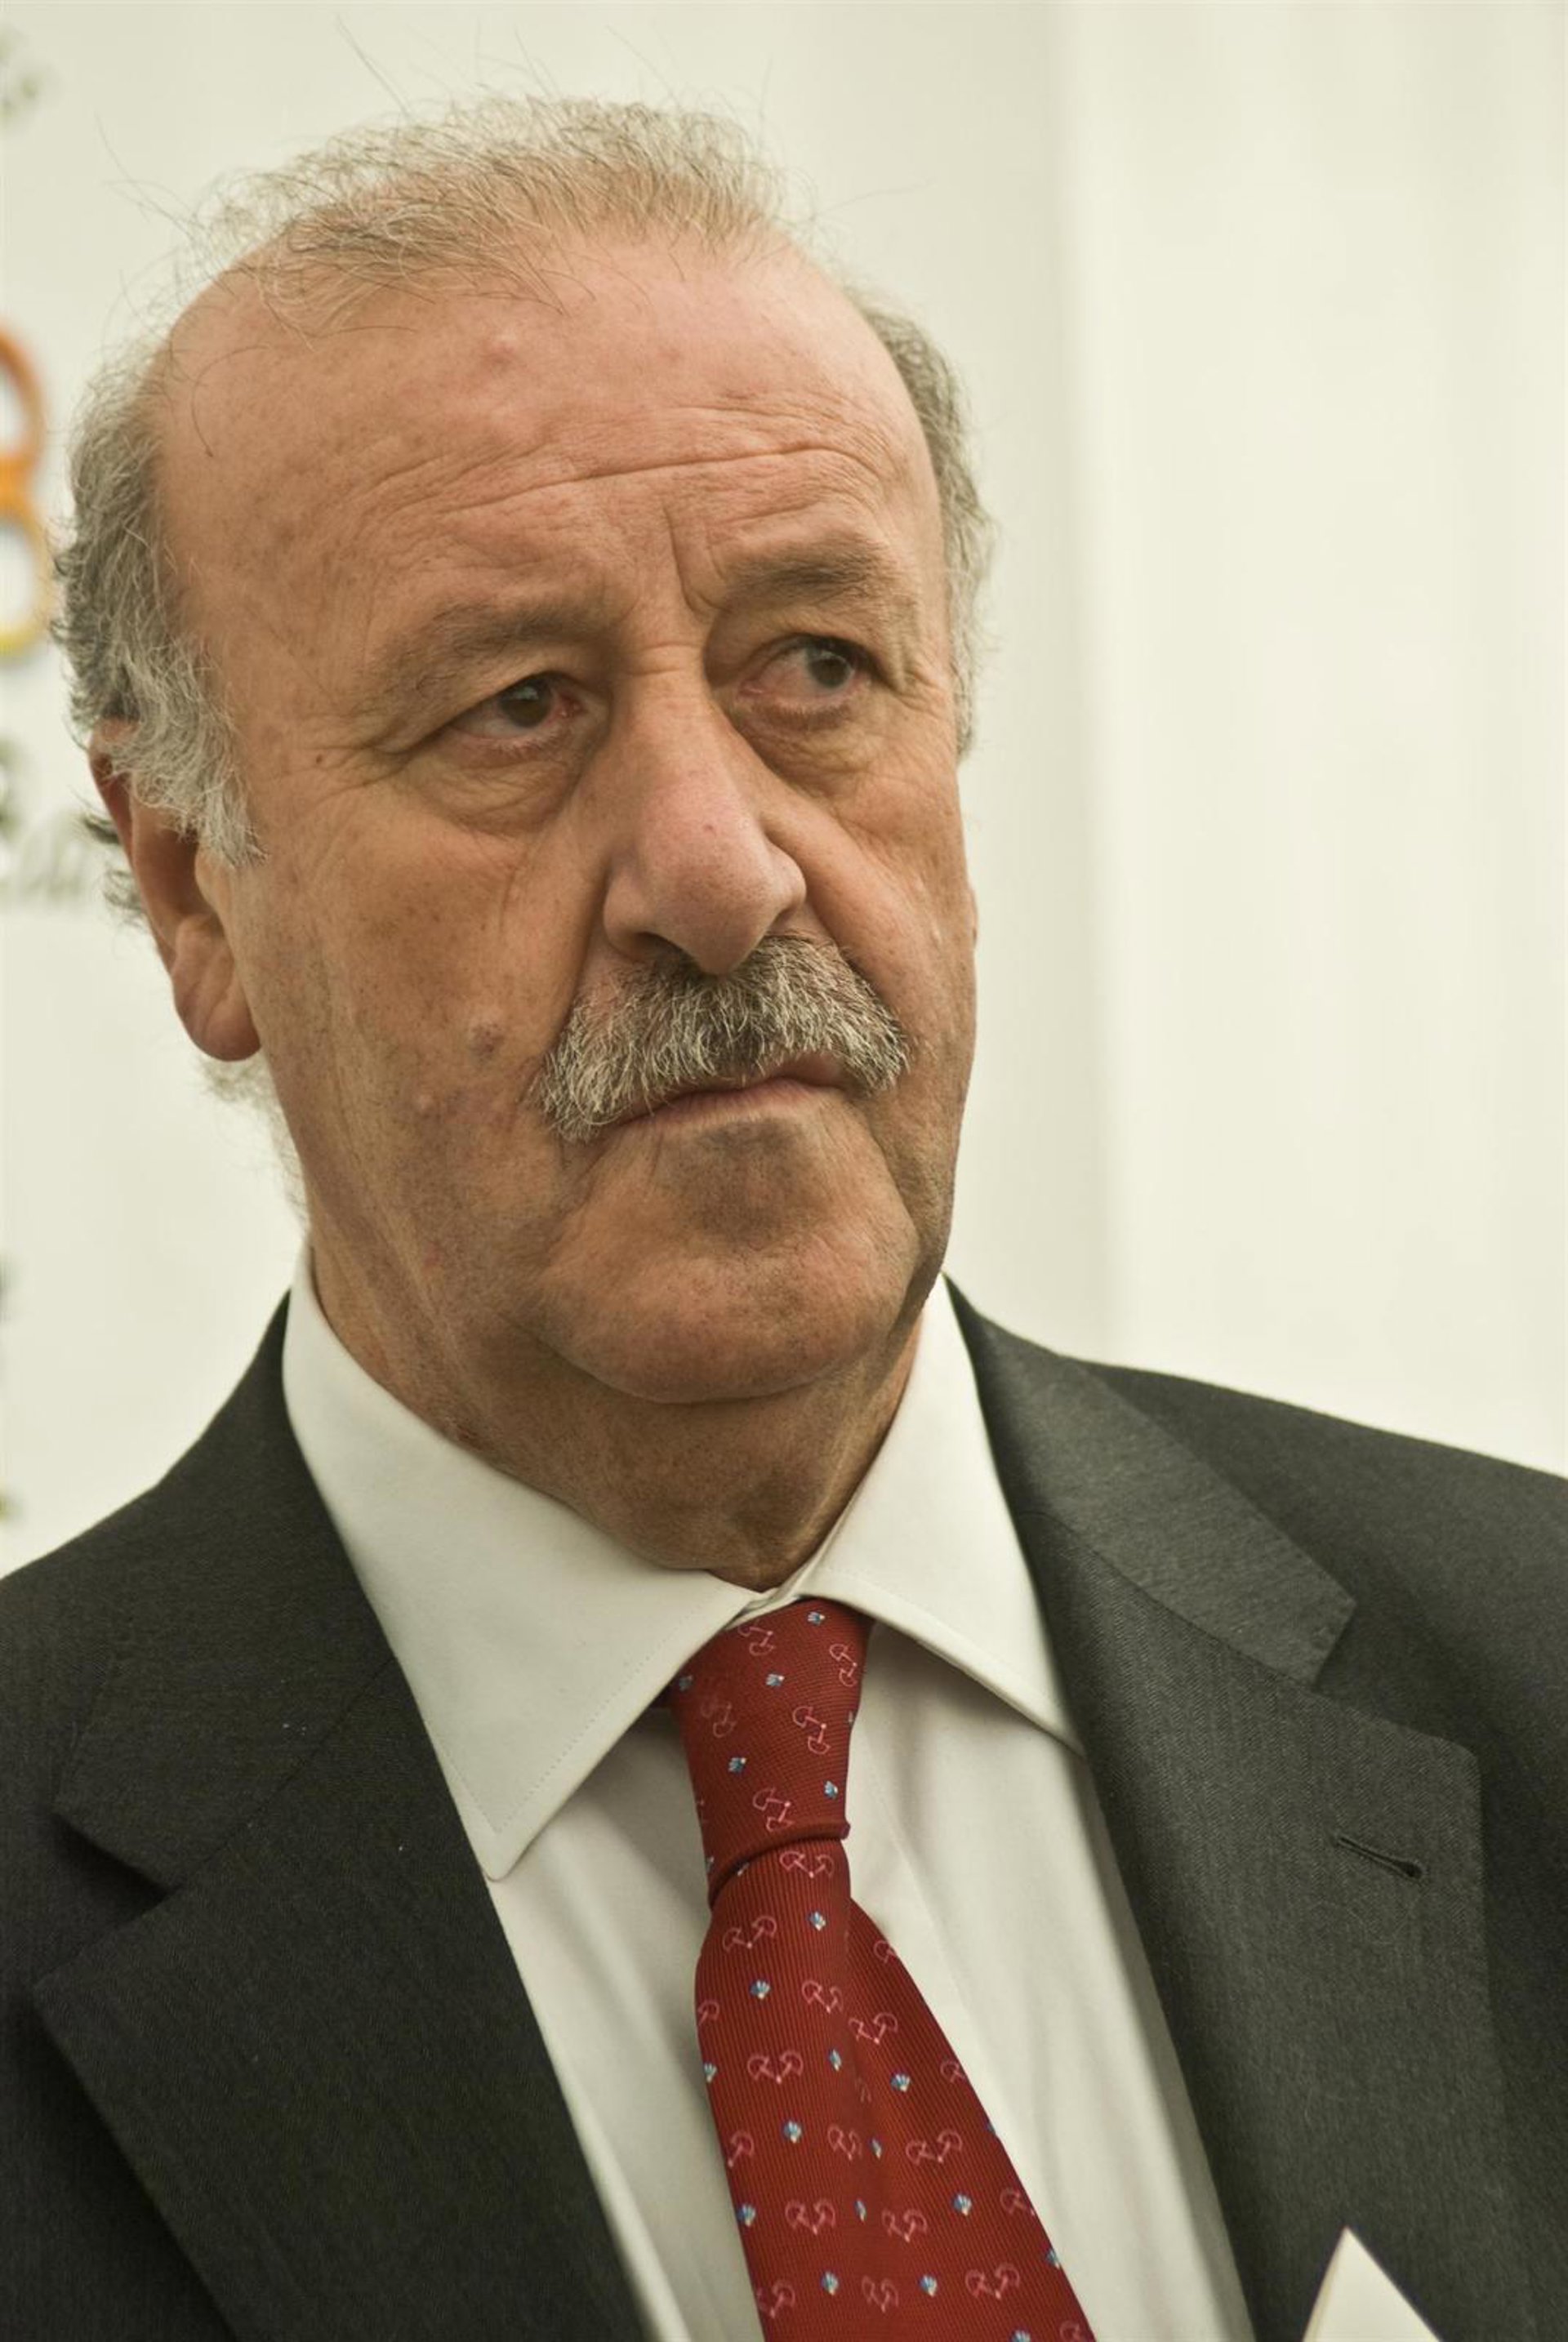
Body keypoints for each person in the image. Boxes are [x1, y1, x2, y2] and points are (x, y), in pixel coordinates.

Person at [2, 95, 1561, 2342]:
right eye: (517, 709)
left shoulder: (1528, 1669)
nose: (722, 872)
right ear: (186, 889)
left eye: (818, 666)